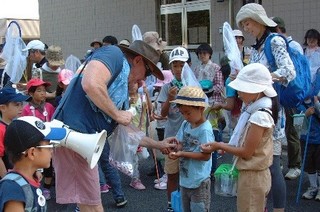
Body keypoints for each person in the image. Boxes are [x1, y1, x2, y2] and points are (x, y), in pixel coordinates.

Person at [52, 40, 175, 211]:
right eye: (147, 73)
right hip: (75, 138)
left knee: (86, 203)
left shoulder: (120, 90)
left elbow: (129, 133)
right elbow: (91, 84)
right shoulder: (114, 54)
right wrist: (117, 114)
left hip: (78, 141)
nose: (143, 80)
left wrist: (158, 145)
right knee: (92, 205)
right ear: (138, 60)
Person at [236, 4, 296, 211]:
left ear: (258, 20)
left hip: (273, 112)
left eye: (247, 22)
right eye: (243, 24)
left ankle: (279, 209)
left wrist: (264, 79)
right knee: (261, 164)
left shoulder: (275, 41)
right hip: (257, 109)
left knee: (273, 165)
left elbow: (289, 71)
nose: (246, 27)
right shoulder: (257, 46)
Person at [201, 63, 277, 212]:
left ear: (256, 89)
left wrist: (219, 145)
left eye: (242, 89)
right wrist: (224, 146)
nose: (238, 94)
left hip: (253, 177)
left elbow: (247, 152)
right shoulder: (256, 110)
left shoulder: (259, 116)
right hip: (253, 175)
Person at [0, 116, 67, 211]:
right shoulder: (13, 189)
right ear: (32, 153)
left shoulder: (30, 179)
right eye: (49, 145)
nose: (52, 150)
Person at [169, 86, 213, 212]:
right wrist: (175, 147)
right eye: (182, 113)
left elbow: (206, 156)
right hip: (185, 179)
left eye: (188, 113)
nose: (185, 116)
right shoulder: (186, 124)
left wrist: (182, 153)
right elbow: (181, 142)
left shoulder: (205, 130)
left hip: (199, 181)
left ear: (201, 109)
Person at [271, 16, 304, 181]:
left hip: (289, 93)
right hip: (277, 93)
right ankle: (280, 163)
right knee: (277, 130)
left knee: (291, 131)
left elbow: (294, 71)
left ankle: (294, 165)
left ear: (277, 29)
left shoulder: (292, 45)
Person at [157, 46, 188, 211]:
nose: (178, 69)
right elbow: (163, 114)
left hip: (190, 137)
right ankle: (171, 205)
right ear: (171, 67)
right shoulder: (167, 87)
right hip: (172, 136)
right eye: (175, 65)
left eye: (182, 65)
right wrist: (169, 98)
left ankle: (186, 204)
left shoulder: (192, 84)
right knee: (172, 174)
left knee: (189, 176)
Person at [21, 78, 56, 200]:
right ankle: (34, 186)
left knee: (48, 166)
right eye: (39, 90)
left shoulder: (49, 107)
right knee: (34, 164)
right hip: (33, 142)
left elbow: (53, 122)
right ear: (31, 93)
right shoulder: (26, 109)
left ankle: (46, 188)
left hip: (47, 142)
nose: (43, 93)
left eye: (44, 90)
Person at [0, 87, 31, 179]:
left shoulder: (16, 125)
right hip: (8, 177)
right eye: (17, 105)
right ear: (3, 108)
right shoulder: (1, 129)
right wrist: (6, 178)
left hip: (19, 173)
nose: (21, 108)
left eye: (21, 104)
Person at [299, 69, 320, 201]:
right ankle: (313, 187)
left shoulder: (316, 100)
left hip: (319, 138)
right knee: (308, 164)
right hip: (306, 137)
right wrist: (305, 114)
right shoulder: (298, 102)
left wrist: (317, 104)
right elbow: (296, 122)